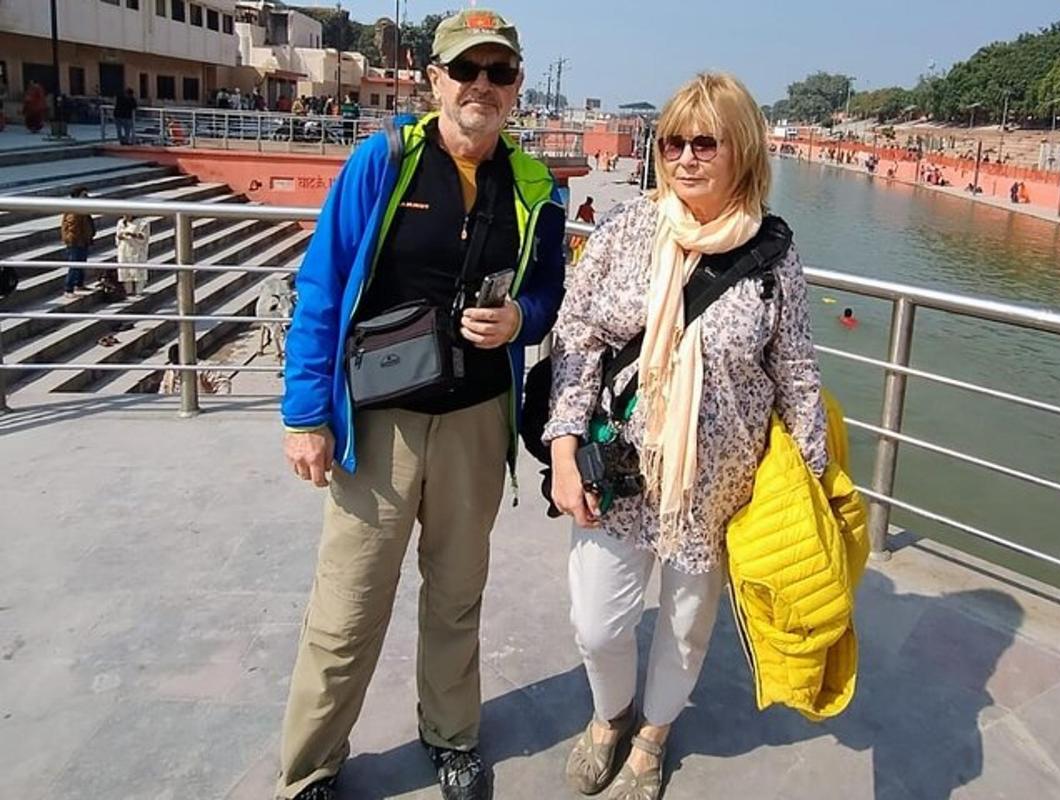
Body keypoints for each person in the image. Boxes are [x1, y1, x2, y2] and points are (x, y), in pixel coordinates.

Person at [276, 9, 566, 800]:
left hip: (476, 420)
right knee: (347, 607)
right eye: (465, 70)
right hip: (380, 424)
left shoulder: (532, 185)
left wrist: (520, 320)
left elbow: (549, 293)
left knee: (457, 594)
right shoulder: (385, 161)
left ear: (515, 87)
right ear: (433, 80)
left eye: (498, 72)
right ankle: (309, 769)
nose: (482, 86)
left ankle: (452, 737)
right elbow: (323, 287)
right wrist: (306, 415)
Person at [546, 72, 826, 800]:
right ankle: (610, 715)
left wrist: (815, 480)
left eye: (707, 141)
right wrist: (564, 449)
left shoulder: (772, 257)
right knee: (598, 625)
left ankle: (651, 737)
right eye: (673, 140)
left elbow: (795, 373)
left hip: (717, 490)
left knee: (685, 629)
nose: (687, 156)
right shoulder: (625, 233)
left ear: (743, 152)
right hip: (621, 474)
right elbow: (575, 340)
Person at [158, 343, 233, 394]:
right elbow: (163, 389)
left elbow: (224, 383)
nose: (177, 367)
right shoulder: (171, 369)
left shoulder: (203, 368)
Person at [61, 187, 95, 296]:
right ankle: (68, 289)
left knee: (81, 264)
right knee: (74, 265)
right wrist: (75, 239)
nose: (87, 198)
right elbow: (72, 227)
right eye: (84, 195)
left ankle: (79, 284)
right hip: (76, 242)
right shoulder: (74, 209)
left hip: (83, 241)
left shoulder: (81, 208)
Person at [115, 214, 150, 296]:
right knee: (125, 270)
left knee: (138, 270)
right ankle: (128, 290)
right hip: (124, 248)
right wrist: (120, 237)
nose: (126, 216)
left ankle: (139, 291)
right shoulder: (120, 223)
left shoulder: (142, 223)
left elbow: (144, 237)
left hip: (136, 249)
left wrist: (132, 234)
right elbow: (117, 236)